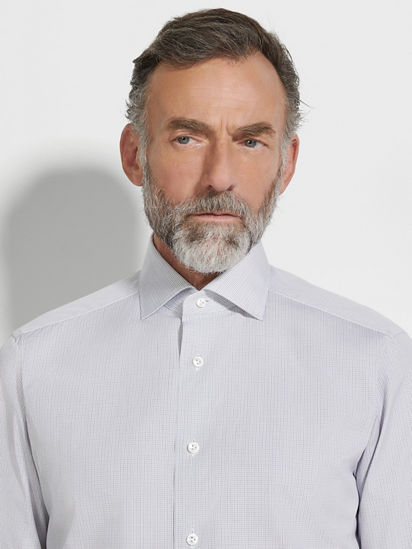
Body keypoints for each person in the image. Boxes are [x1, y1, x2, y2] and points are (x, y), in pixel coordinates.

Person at [0, 8, 411, 549]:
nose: (219, 176)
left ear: (286, 164)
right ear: (135, 155)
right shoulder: (34, 364)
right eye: (187, 138)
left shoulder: (377, 362)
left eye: (250, 141)